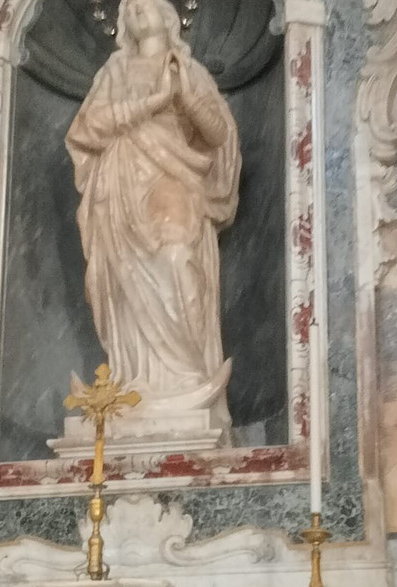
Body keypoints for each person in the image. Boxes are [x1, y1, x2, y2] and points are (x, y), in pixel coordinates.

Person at [66, 0, 241, 433]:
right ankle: (135, 382)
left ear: (168, 16)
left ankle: (187, 373)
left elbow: (217, 135)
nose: (137, 11)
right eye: (131, 7)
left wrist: (184, 98)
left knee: (178, 258)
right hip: (120, 186)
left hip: (174, 179)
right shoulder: (114, 71)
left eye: (147, 4)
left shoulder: (189, 71)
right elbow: (87, 128)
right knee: (125, 280)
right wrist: (153, 102)